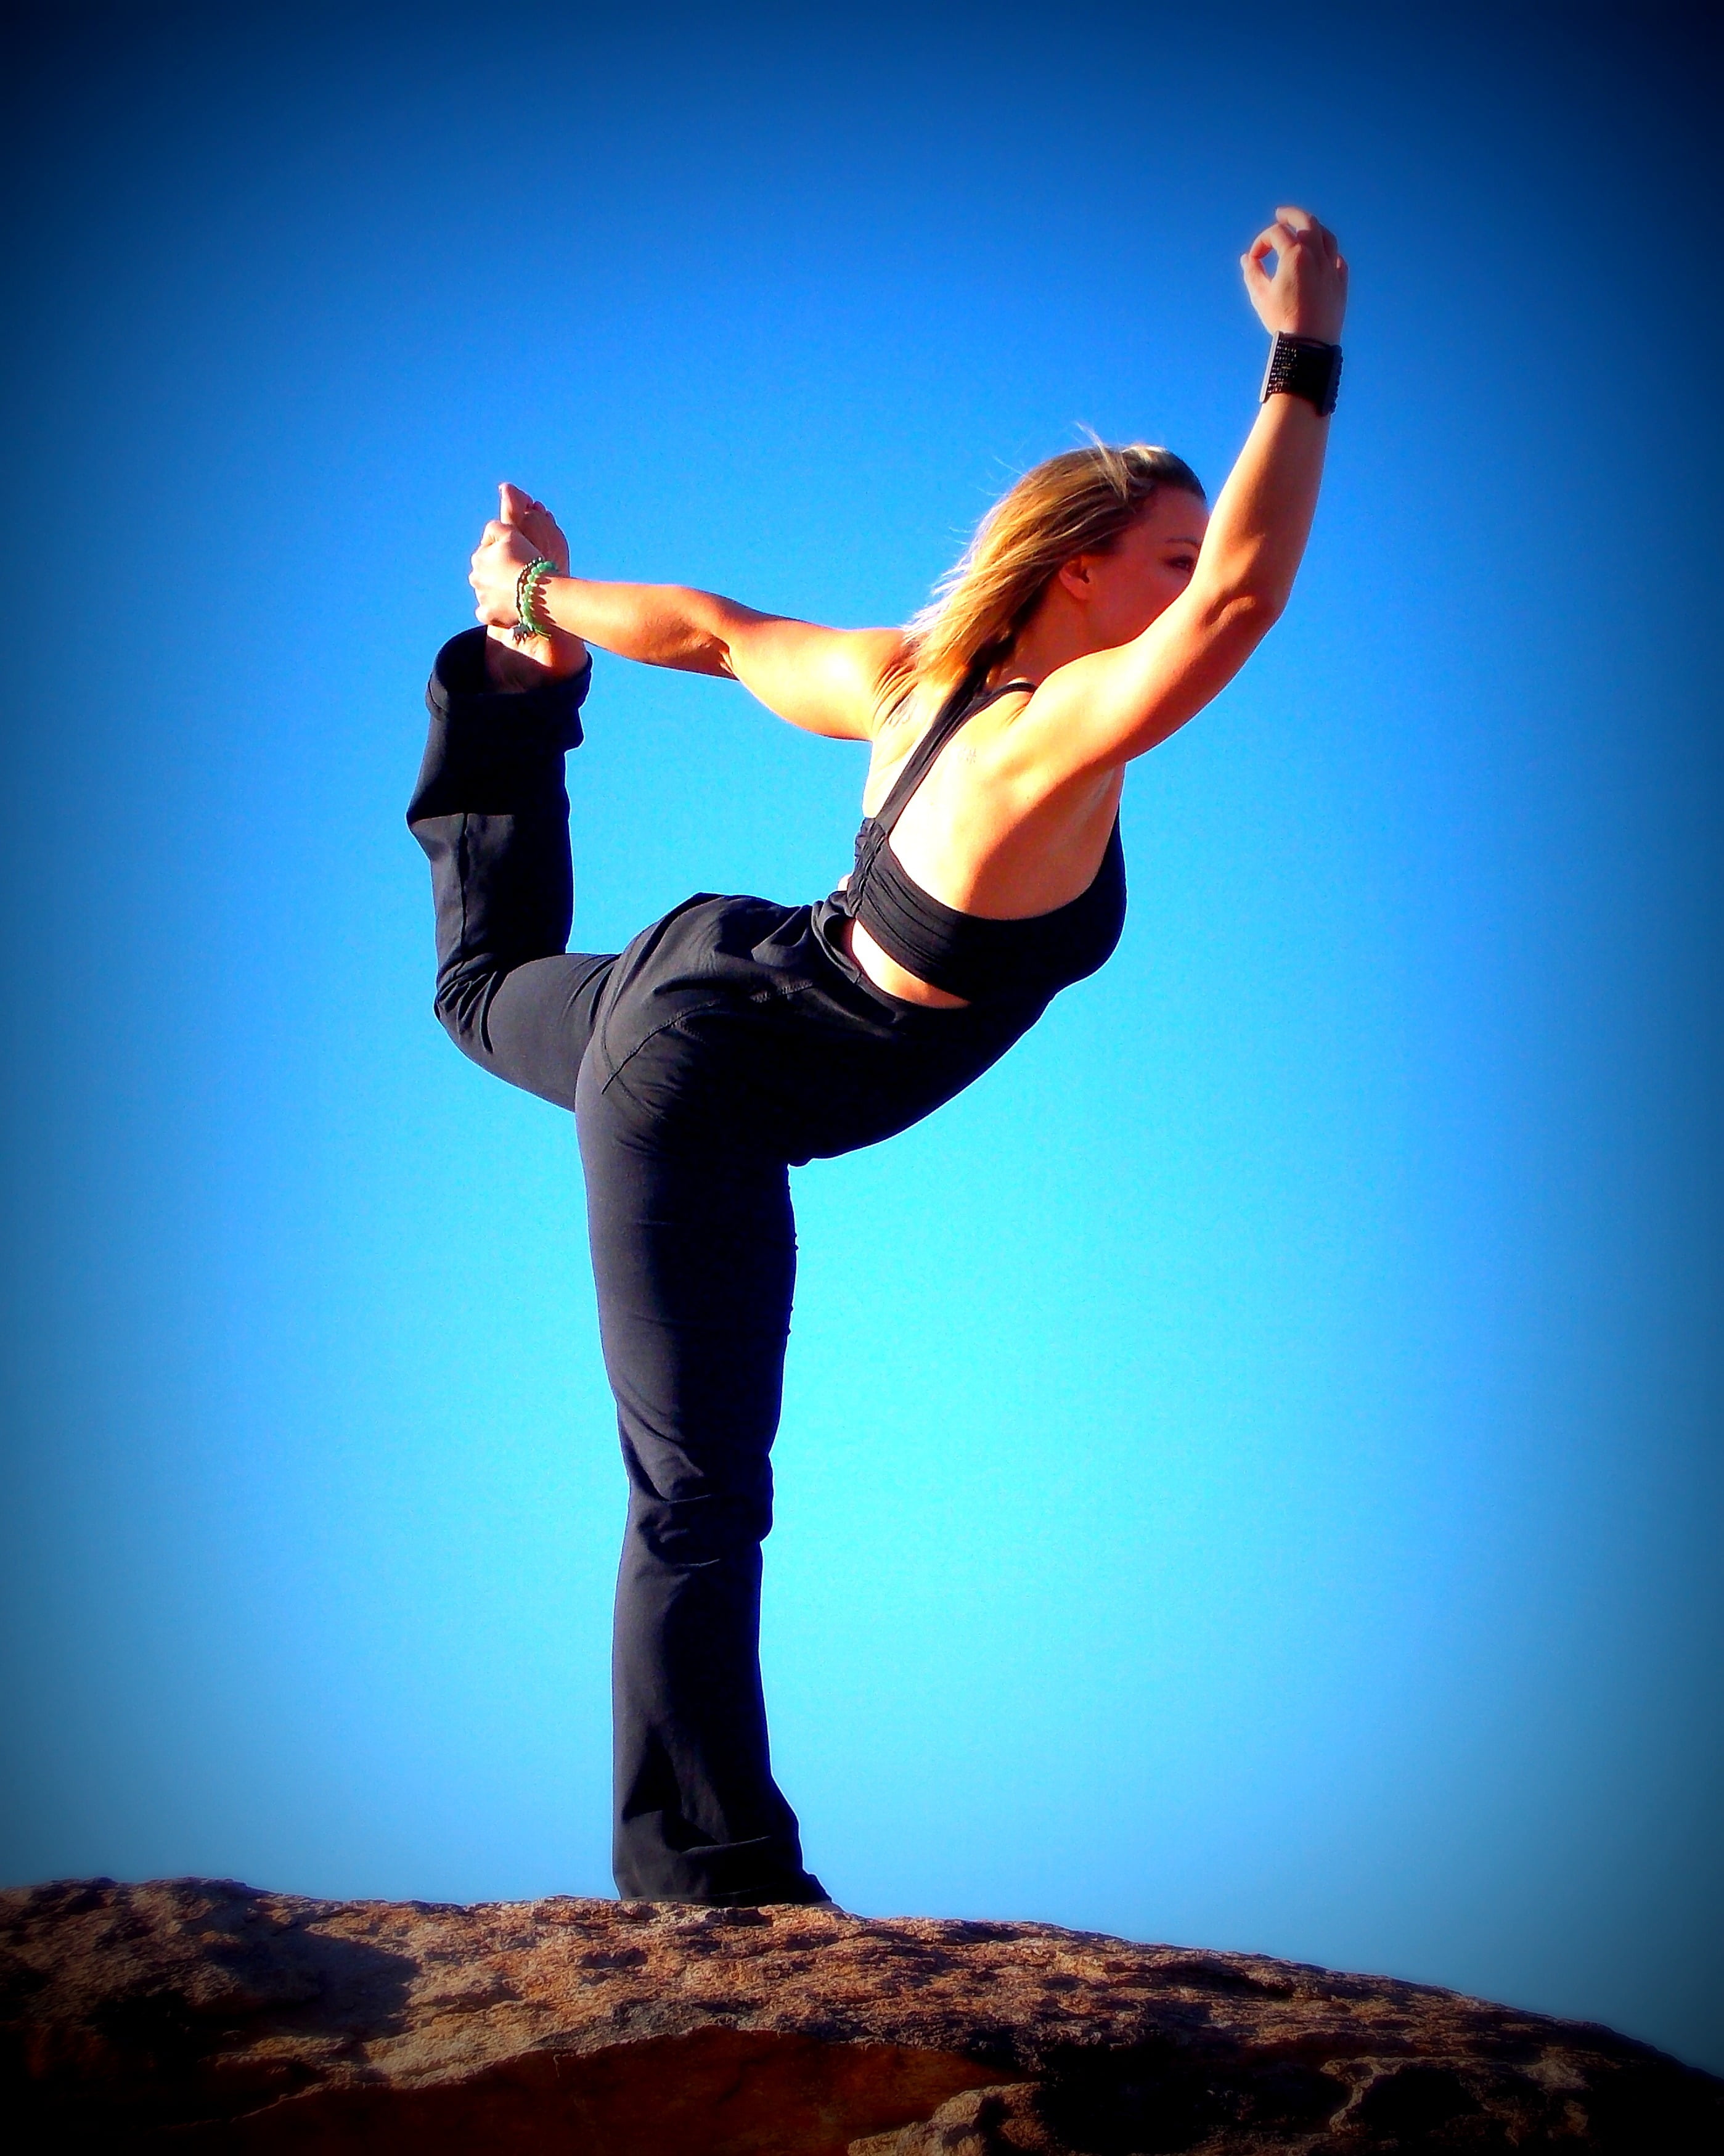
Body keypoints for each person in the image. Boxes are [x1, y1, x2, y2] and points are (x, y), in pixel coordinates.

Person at [409, 207, 1347, 1906]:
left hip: (715, 973)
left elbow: (702, 628)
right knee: (698, 1488)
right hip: (698, 1081)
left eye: (1182, 557)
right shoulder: (1033, 745)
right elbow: (1244, 604)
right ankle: (704, 1880)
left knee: (478, 993)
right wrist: (1304, 355)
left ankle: (510, 684)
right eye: (1158, 554)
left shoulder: (909, 679)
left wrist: (535, 596)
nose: (1179, 584)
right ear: (1080, 572)